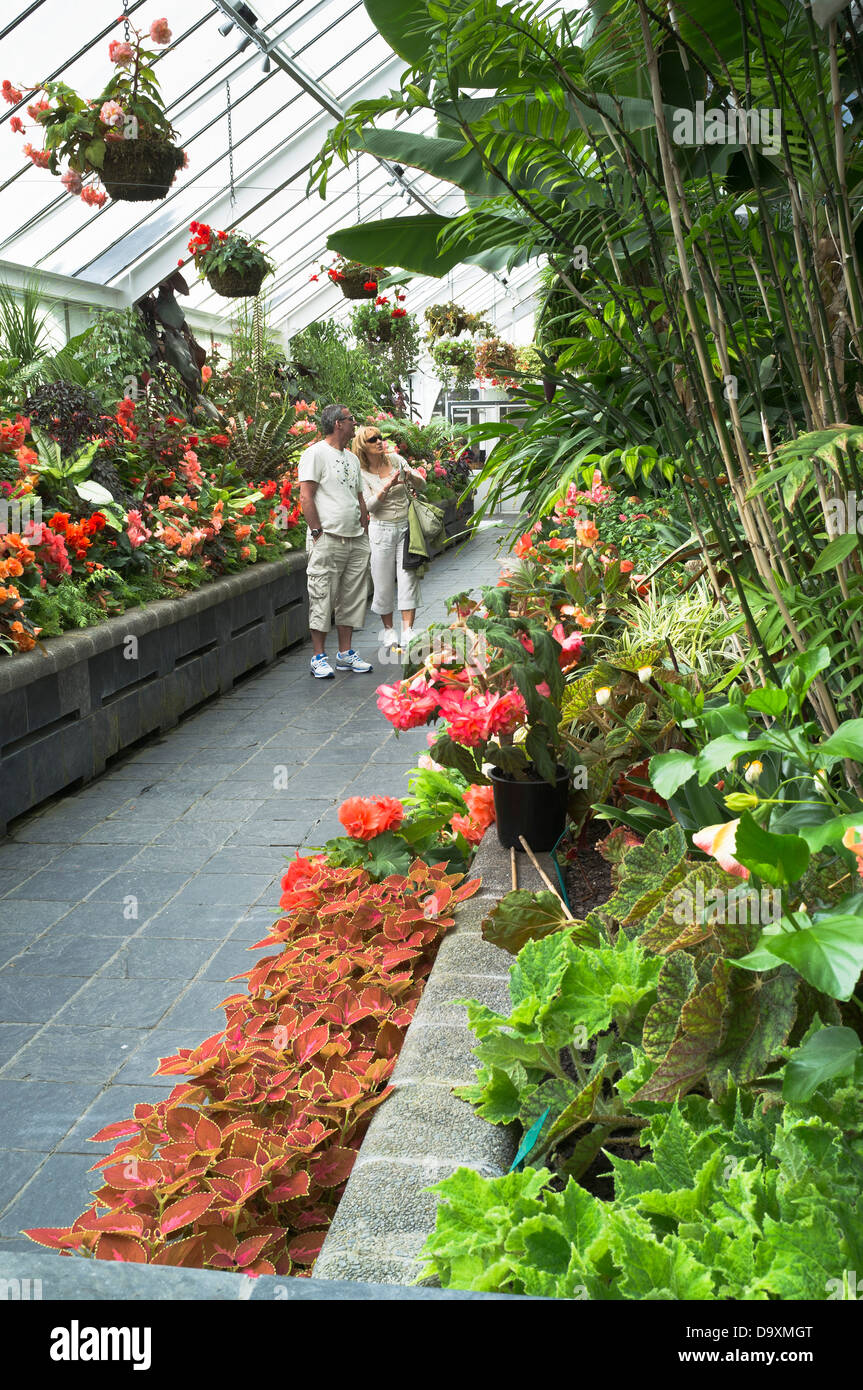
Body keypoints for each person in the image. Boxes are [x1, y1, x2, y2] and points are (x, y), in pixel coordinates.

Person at [298, 403, 373, 679]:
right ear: (338, 424)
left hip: (355, 539)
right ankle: (319, 657)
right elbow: (306, 495)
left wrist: (364, 528)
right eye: (351, 419)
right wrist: (317, 531)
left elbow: (359, 497)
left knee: (352, 598)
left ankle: (345, 654)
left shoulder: (352, 458)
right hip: (327, 538)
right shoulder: (315, 454)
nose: (355, 423)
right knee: (322, 596)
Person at [352, 425, 428, 651]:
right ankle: (388, 631)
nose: (379, 441)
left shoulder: (396, 460)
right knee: (383, 582)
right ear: (363, 446)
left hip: (405, 527)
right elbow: (369, 507)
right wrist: (388, 485)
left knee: (408, 578)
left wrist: (412, 476)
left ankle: (408, 631)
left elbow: (422, 485)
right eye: (372, 439)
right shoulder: (361, 473)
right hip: (380, 530)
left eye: (380, 437)